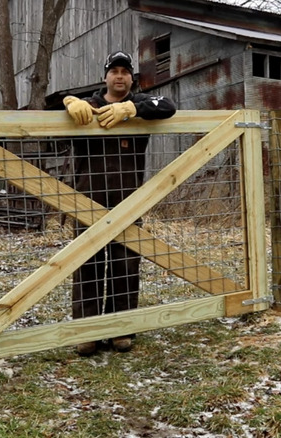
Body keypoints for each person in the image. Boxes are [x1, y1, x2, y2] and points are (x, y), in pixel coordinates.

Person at [62, 50, 177, 356]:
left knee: (125, 263)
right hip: (88, 198)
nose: (120, 76)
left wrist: (131, 109)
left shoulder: (140, 106)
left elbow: (168, 106)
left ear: (131, 79)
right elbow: (55, 111)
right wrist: (69, 102)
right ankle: (86, 332)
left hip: (128, 200)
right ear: (106, 77)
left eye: (125, 71)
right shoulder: (89, 107)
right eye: (114, 70)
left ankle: (120, 329)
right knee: (88, 263)